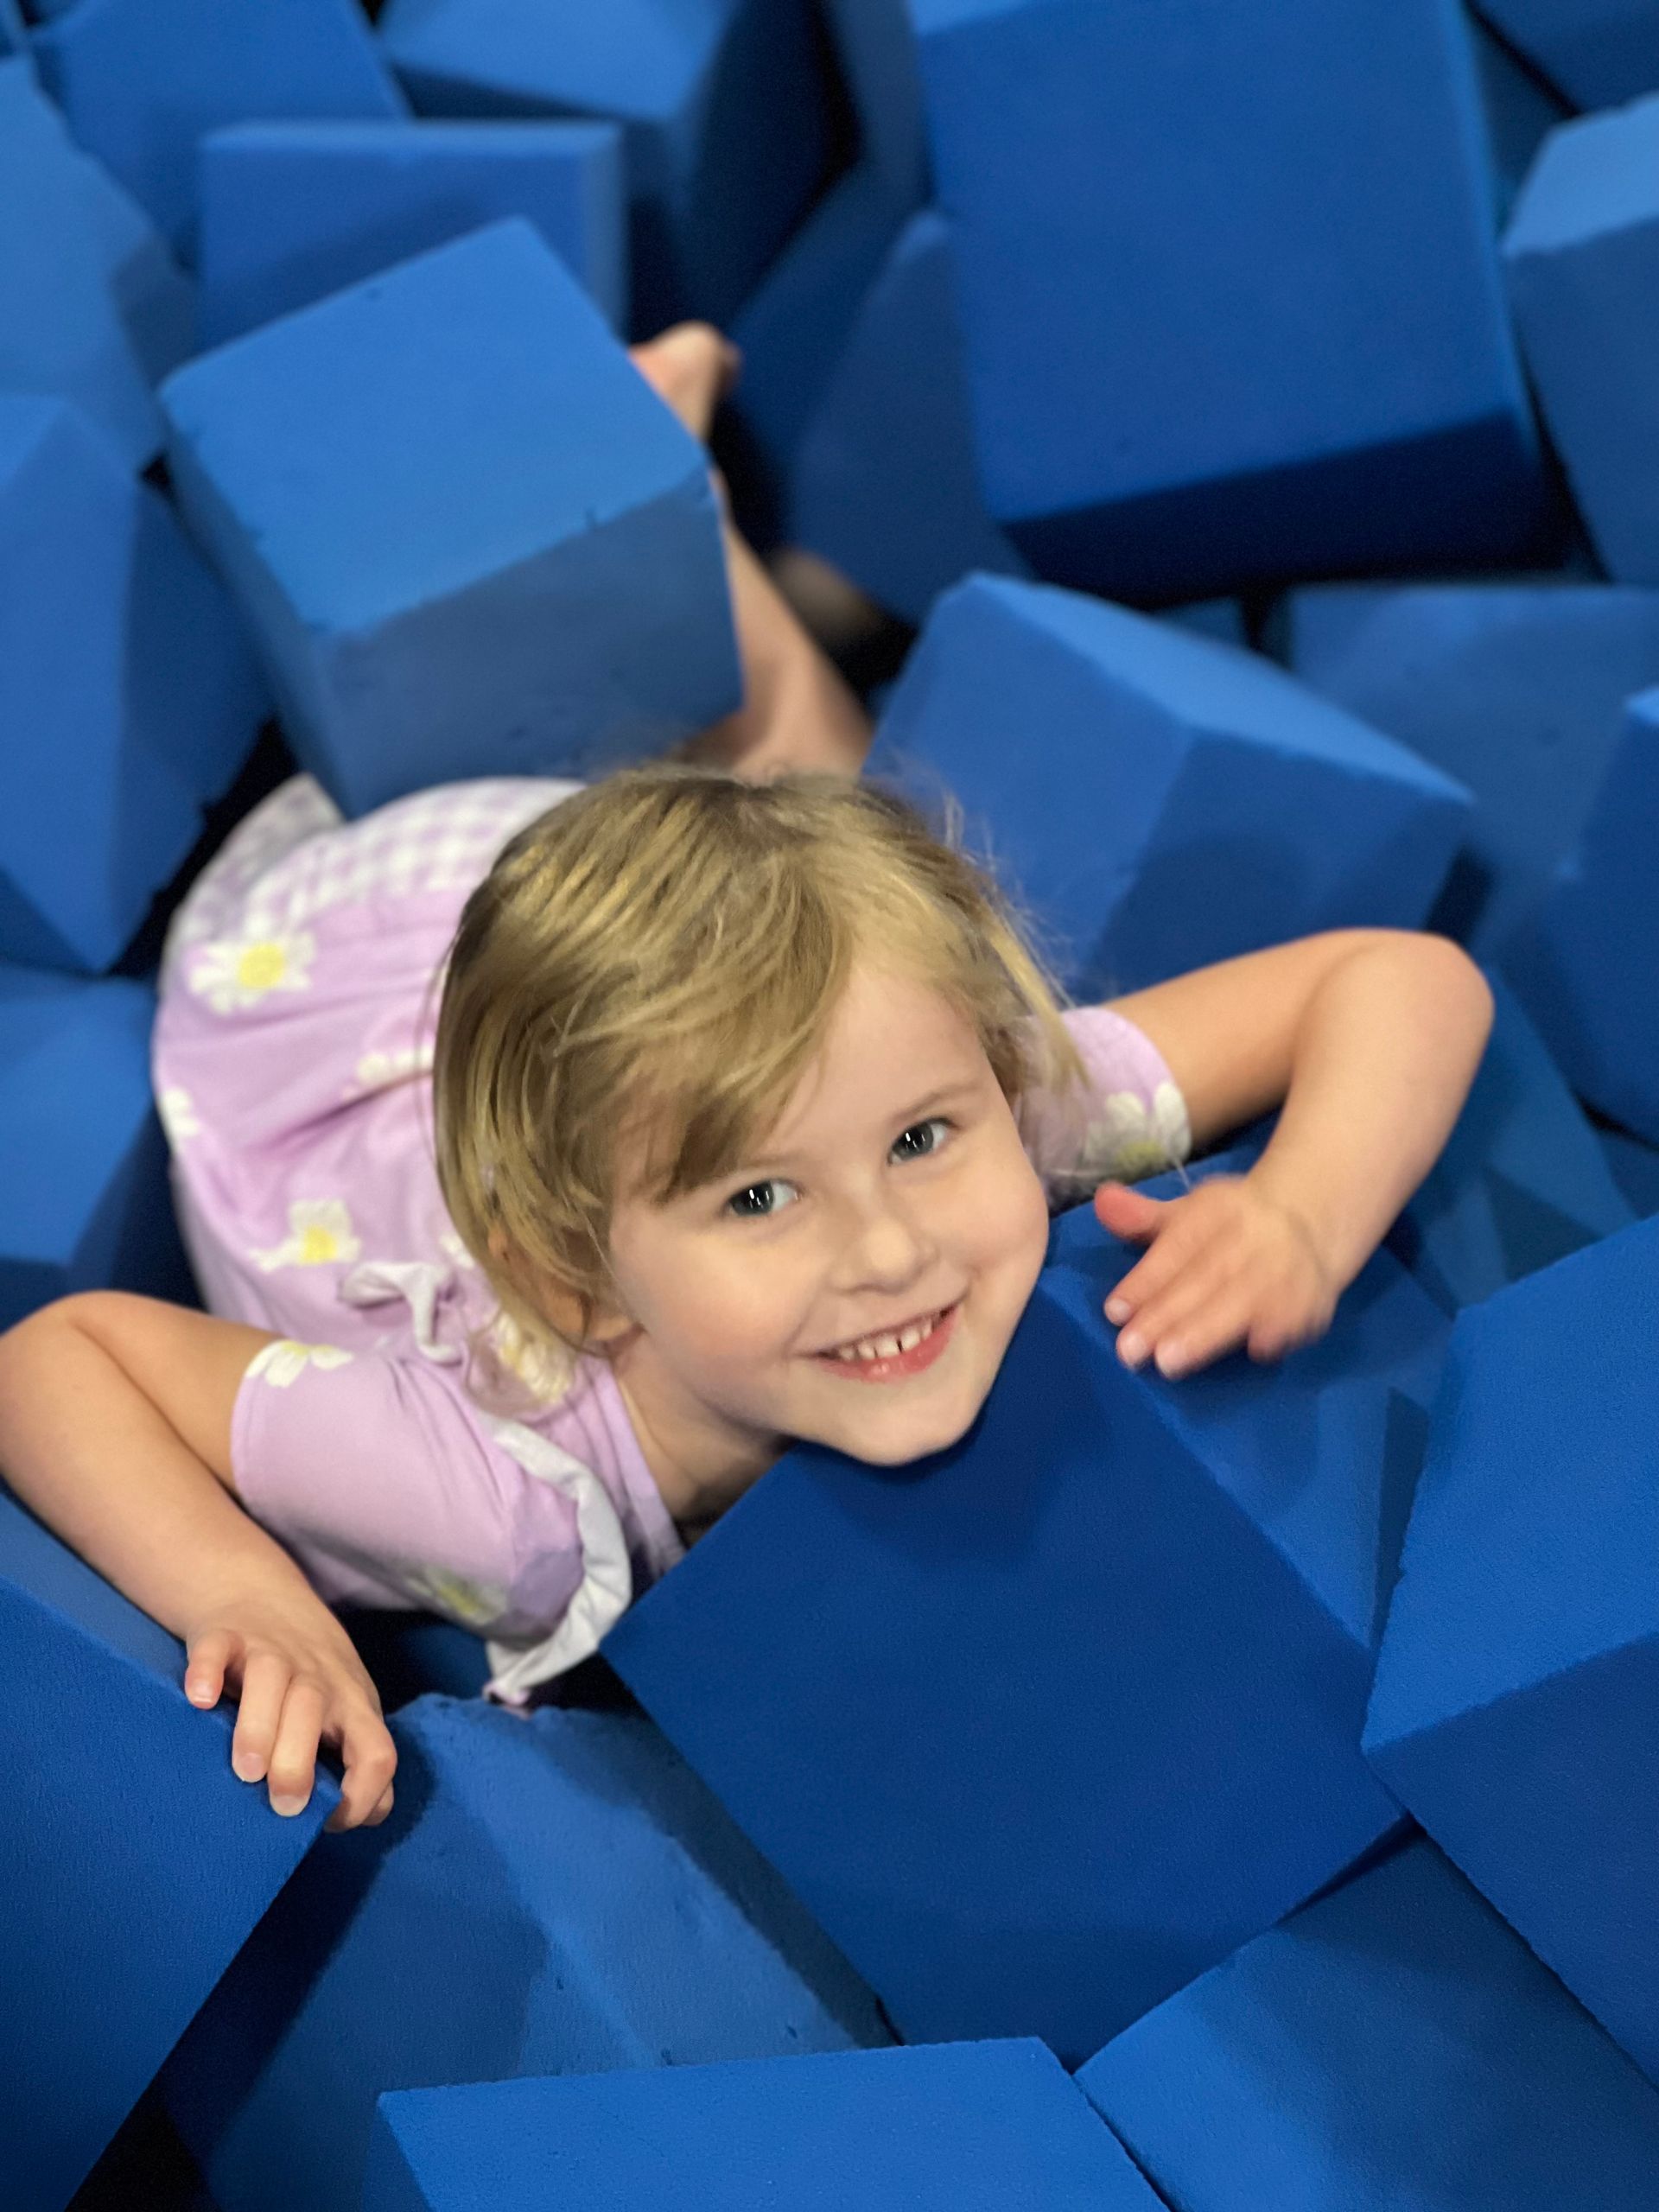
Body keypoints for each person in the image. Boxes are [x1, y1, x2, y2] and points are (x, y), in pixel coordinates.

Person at [0, 327, 1494, 1840]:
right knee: (798, 795)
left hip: (585, 964)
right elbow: (54, 1360)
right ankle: (690, 521)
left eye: (920, 1139)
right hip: (325, 984)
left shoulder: (1000, 1108)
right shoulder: (489, 1499)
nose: (893, 1247)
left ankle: (693, 518)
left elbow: (1398, 979)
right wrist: (246, 1592)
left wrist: (1301, 1215)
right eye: (762, 1198)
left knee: (826, 842)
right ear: (579, 1281)